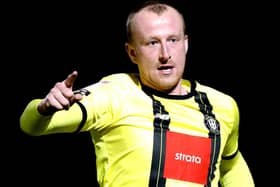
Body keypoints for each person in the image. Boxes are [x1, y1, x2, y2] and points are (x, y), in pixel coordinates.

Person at [20, 1, 255, 186]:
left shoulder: (221, 105)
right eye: (152, 43)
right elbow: (31, 126)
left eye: (172, 40)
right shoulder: (113, 94)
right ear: (132, 52)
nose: (165, 53)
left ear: (185, 44)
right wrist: (44, 107)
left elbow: (230, 165)